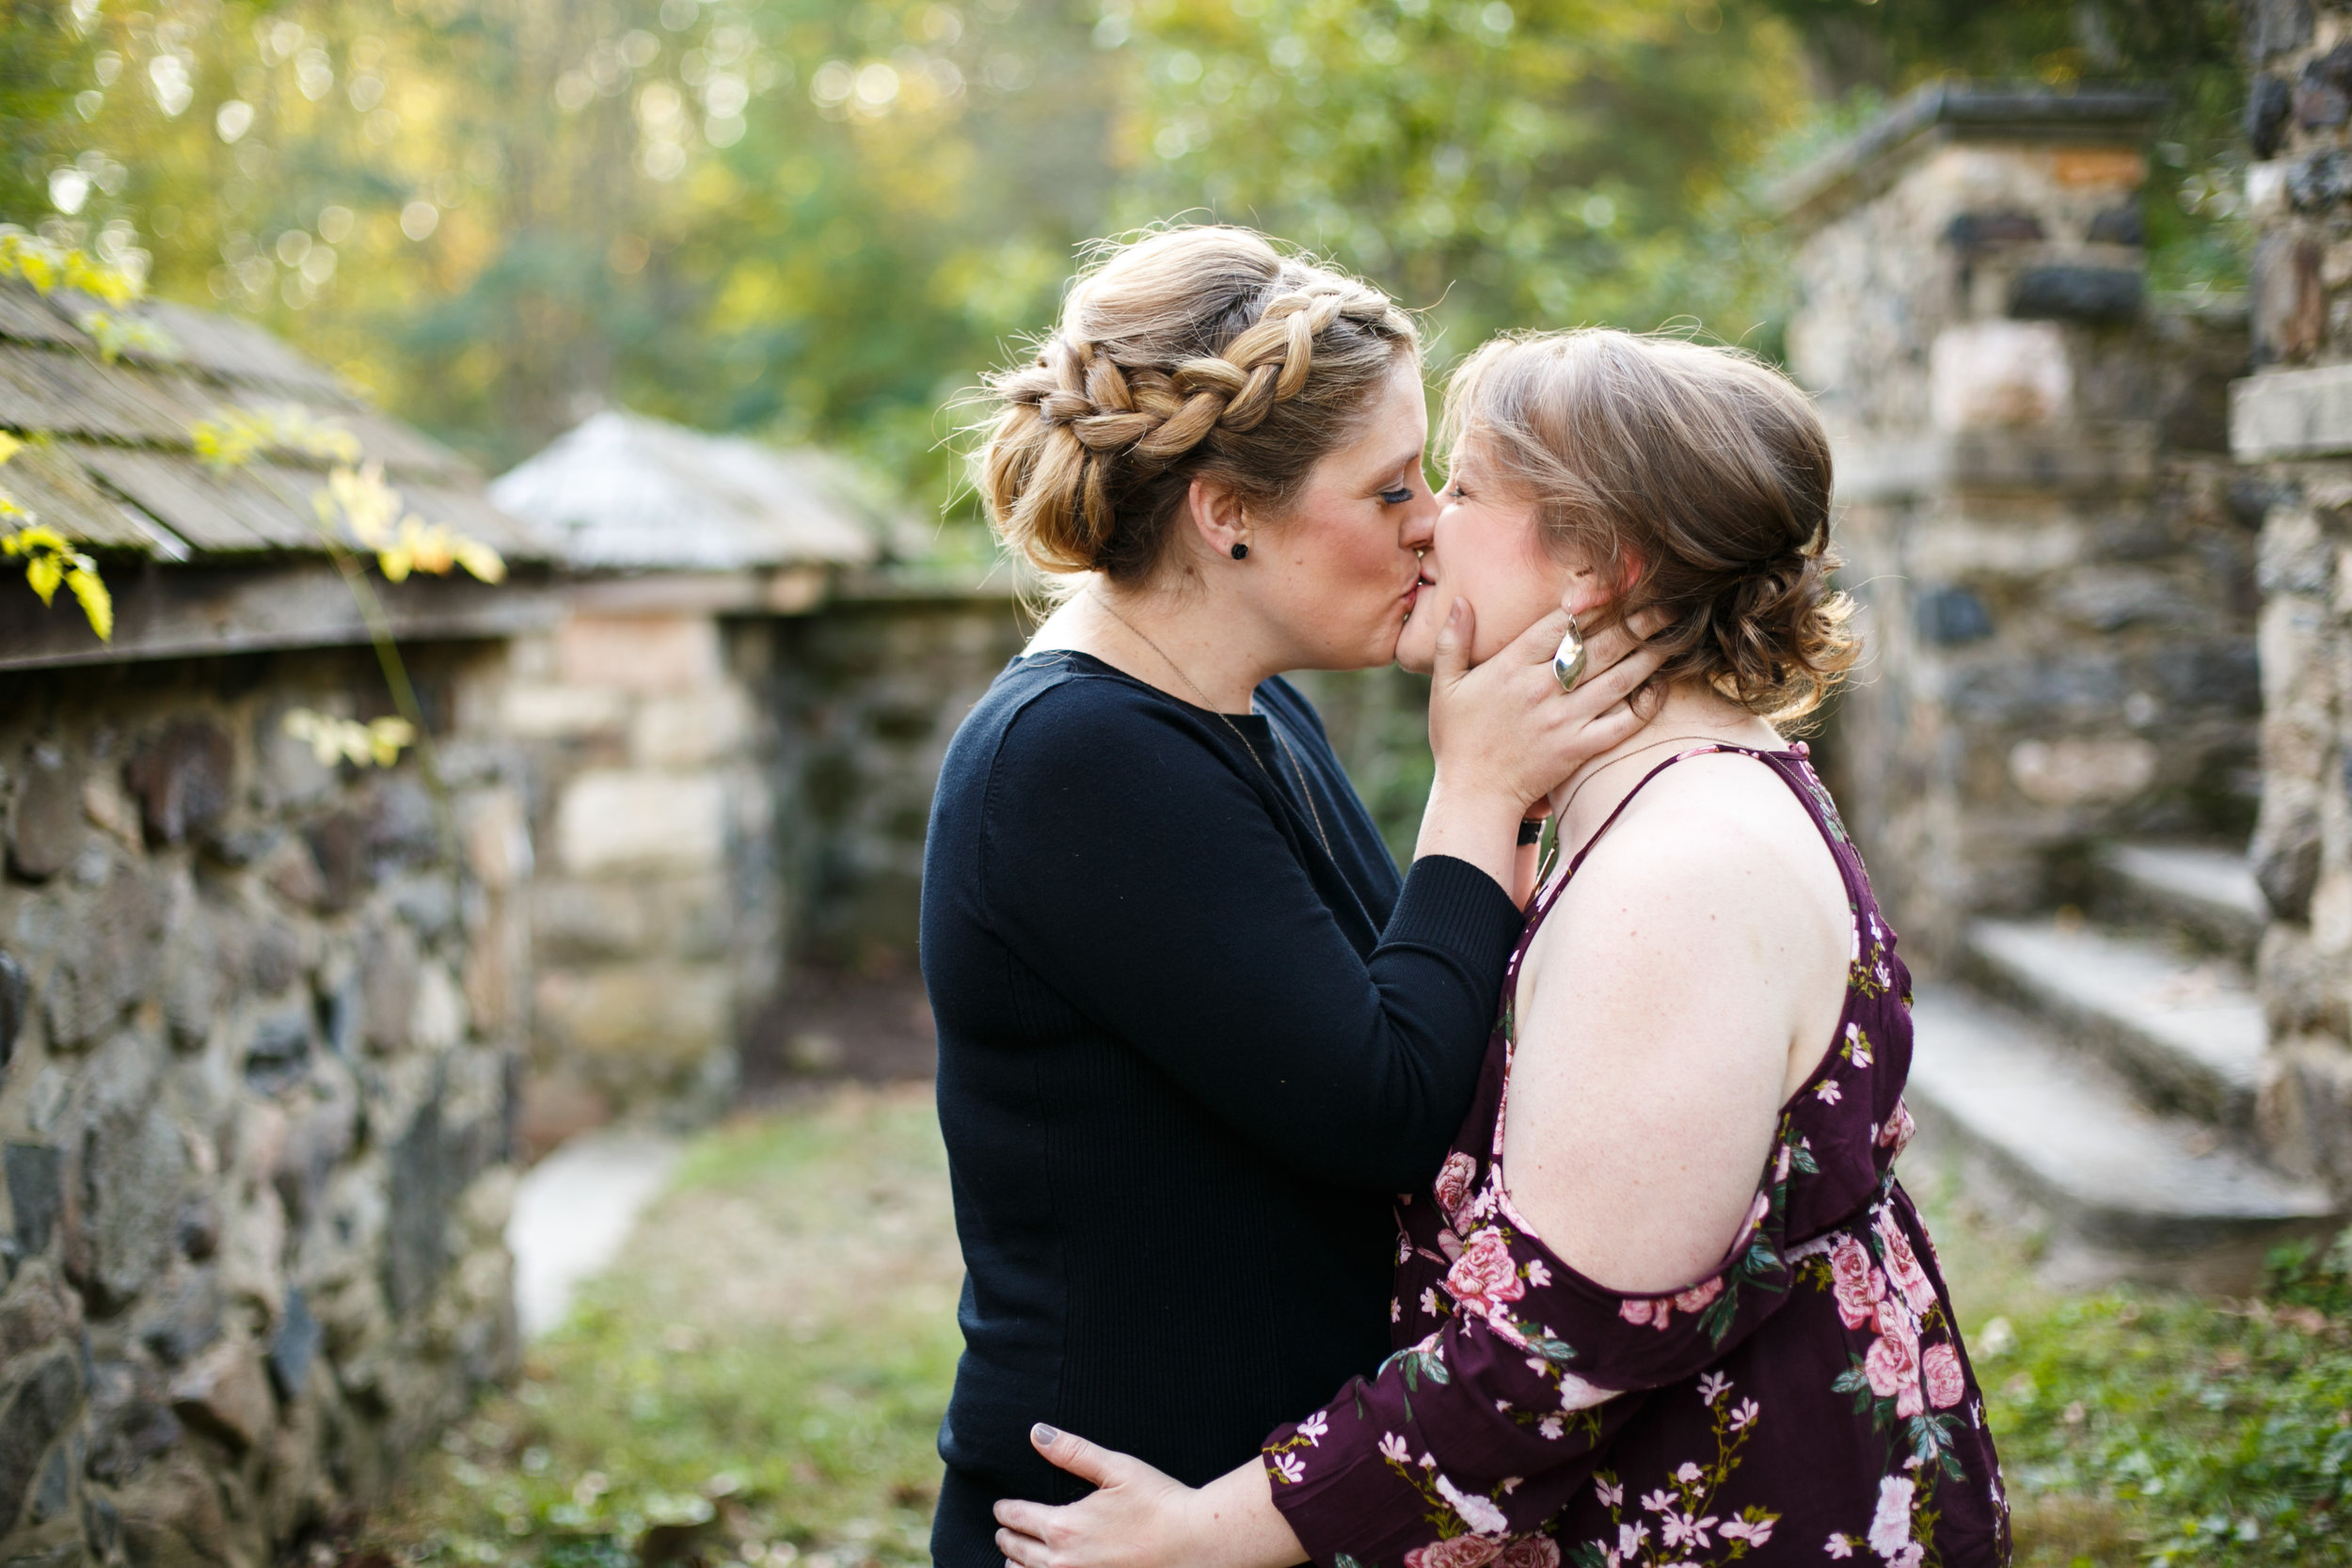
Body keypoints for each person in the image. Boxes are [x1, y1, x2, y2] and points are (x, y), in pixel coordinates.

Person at [990, 329, 2011, 1567]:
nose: (1423, 524)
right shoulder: (1636, 804)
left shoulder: (1677, 870)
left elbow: (1557, 1343)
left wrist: (1209, 1532)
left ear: (1592, 564)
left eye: (1460, 486)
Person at [920, 232, 1665, 1565]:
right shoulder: (1074, 758)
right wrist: (1474, 794)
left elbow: (1409, 1008)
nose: (1430, 520)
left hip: (1247, 1502)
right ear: (1228, 513)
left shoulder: (1244, 709)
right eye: (1389, 489)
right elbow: (1378, 1106)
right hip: (1121, 1521)